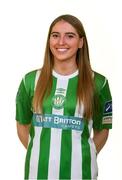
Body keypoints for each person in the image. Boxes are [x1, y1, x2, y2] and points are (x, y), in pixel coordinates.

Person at [16, 14, 112, 180]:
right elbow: (22, 125)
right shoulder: (30, 81)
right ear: (49, 41)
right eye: (55, 36)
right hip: (37, 173)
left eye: (70, 36)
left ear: (81, 42)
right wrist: (42, 152)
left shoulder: (98, 83)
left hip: (80, 174)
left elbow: (102, 129)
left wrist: (82, 154)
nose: (61, 42)